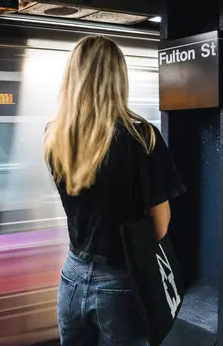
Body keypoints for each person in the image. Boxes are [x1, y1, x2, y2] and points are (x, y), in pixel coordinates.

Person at [44, 36, 185, 345]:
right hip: (121, 281)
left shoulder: (55, 135)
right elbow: (159, 227)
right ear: (118, 77)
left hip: (71, 277)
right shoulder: (142, 136)